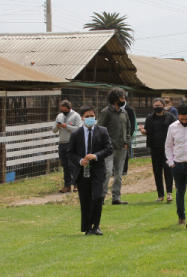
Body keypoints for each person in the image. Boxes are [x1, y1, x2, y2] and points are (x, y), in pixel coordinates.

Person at [67, 105, 114, 235]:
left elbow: (109, 149)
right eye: (87, 117)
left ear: (95, 116)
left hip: (97, 170)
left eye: (92, 116)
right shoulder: (76, 134)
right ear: (82, 118)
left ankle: (96, 226)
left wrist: (96, 156)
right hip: (82, 172)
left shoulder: (102, 131)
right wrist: (80, 161)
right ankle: (87, 228)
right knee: (85, 199)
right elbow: (70, 153)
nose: (90, 118)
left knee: (98, 197)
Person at [97, 87, 130, 205]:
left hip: (122, 148)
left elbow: (128, 128)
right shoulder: (106, 112)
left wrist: (127, 142)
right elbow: (99, 129)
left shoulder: (124, 112)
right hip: (109, 149)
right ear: (115, 99)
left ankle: (116, 198)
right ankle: (101, 196)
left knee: (119, 174)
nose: (124, 100)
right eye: (122, 98)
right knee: (107, 172)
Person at [140, 98, 177, 203]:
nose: (157, 107)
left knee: (168, 170)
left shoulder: (170, 117)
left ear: (164, 105)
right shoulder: (150, 118)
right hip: (155, 148)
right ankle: (160, 195)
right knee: (157, 171)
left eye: (159, 105)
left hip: (167, 148)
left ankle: (169, 193)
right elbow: (147, 131)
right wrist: (143, 131)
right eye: (155, 105)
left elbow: (176, 129)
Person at [53, 100, 82, 193]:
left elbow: (78, 129)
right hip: (62, 143)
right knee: (65, 165)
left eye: (65, 110)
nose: (64, 112)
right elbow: (54, 130)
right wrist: (58, 126)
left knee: (72, 165)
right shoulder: (59, 116)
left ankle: (76, 184)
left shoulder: (76, 116)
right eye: (62, 110)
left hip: (72, 143)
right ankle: (67, 185)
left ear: (70, 108)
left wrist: (67, 126)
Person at [122, 96, 137, 175]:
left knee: (125, 151)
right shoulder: (115, 108)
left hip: (126, 134)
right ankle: (115, 170)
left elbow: (132, 123)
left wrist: (130, 134)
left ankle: (124, 169)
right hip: (116, 134)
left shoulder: (129, 109)